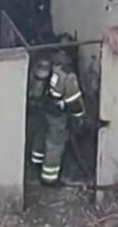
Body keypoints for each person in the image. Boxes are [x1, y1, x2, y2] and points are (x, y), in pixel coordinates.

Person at [29, 51, 86, 186]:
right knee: (55, 144)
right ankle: (49, 178)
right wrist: (79, 118)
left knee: (41, 134)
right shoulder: (67, 75)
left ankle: (36, 162)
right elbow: (74, 102)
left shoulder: (44, 65)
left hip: (41, 107)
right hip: (57, 114)